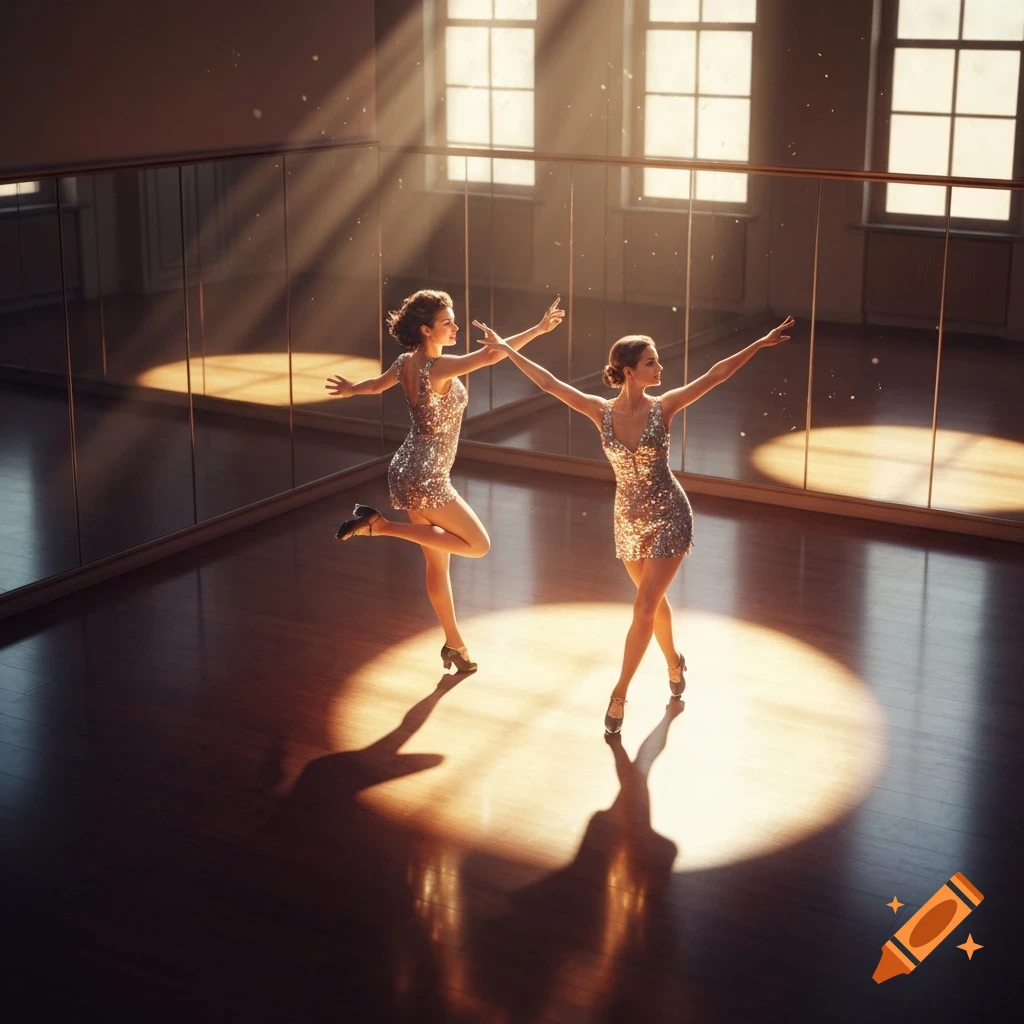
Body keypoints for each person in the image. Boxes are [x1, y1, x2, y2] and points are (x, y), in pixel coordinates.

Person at [475, 315, 795, 731]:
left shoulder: (665, 406)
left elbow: (715, 376)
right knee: (653, 605)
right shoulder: (599, 411)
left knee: (643, 607)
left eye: (657, 361)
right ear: (628, 371)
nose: (660, 369)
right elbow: (550, 383)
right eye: (651, 362)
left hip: (669, 515)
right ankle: (675, 664)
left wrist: (758, 343)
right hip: (627, 518)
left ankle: (618, 695)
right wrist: (507, 348)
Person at [325, 289, 564, 673]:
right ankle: (380, 526)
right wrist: (537, 329)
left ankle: (455, 645)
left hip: (405, 467)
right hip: (426, 476)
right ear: (426, 330)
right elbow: (490, 356)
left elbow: (375, 385)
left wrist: (353, 389)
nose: (455, 327)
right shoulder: (438, 367)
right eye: (447, 322)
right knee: (479, 545)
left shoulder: (406, 362)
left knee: (438, 567)